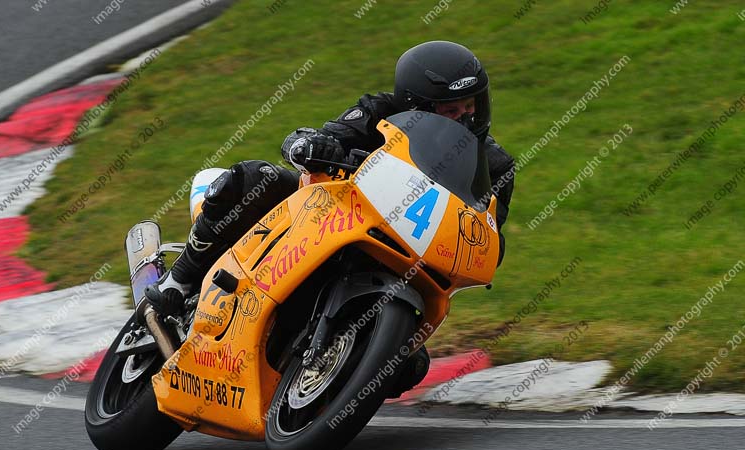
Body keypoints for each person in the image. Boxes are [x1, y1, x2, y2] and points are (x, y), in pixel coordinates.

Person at [146, 40, 515, 321]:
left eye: (472, 107)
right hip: (329, 211)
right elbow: (317, 138)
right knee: (255, 178)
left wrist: (485, 243)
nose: (465, 119)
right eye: (451, 110)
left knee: (408, 367)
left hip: (405, 253)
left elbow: (488, 233)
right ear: (415, 106)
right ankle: (179, 279)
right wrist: (312, 145)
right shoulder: (378, 112)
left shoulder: (495, 165)